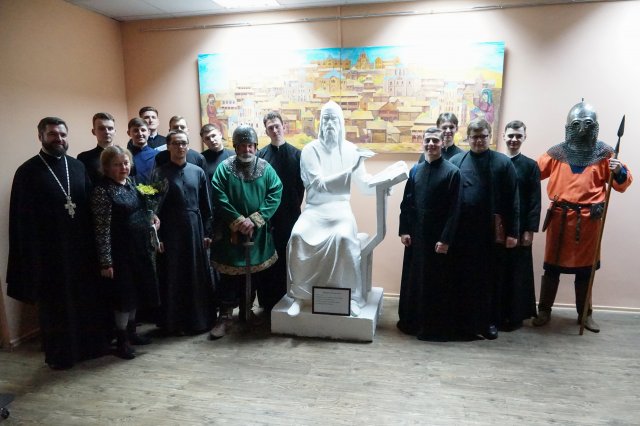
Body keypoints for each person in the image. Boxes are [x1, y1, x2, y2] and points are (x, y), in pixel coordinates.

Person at [7, 117, 108, 369]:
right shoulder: (27, 172)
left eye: (62, 134)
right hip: (49, 254)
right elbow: (22, 220)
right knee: (57, 308)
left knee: (85, 301)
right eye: (53, 134)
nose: (59, 139)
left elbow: (90, 207)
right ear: (41, 136)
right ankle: (61, 355)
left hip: (81, 250)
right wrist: (31, 259)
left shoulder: (77, 166)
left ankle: (89, 348)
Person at [533, 101, 633, 332]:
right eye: (577, 124)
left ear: (595, 126)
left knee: (585, 271)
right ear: (569, 126)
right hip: (560, 218)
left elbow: (622, 183)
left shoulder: (605, 154)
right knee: (552, 268)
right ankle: (544, 310)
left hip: (588, 221)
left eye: (587, 124)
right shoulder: (557, 153)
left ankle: (585, 314)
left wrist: (618, 170)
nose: (581, 129)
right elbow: (533, 172)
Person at [287, 101, 375, 317]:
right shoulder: (310, 150)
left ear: (341, 122)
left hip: (341, 210)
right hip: (315, 210)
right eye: (325, 118)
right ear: (320, 122)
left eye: (333, 118)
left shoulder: (351, 150)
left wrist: (383, 183)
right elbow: (318, 185)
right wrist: (350, 170)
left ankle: (351, 297)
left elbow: (364, 184)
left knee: (344, 239)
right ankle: (299, 296)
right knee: (297, 236)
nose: (329, 123)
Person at [449, 118, 519, 340]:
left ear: (490, 136)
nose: (479, 141)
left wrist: (513, 232)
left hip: (491, 234)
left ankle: (488, 322)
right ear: (468, 138)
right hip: (462, 233)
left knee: (489, 280)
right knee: (462, 277)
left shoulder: (503, 163)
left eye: (483, 136)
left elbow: (513, 200)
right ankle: (462, 322)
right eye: (474, 137)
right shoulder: (456, 161)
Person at [209, 125, 282, 338]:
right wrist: (238, 220)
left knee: (254, 275)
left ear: (256, 146)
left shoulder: (266, 168)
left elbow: (275, 193)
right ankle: (225, 316)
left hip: (257, 233)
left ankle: (246, 312)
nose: (247, 149)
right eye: (242, 145)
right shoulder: (224, 168)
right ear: (235, 146)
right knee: (229, 277)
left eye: (250, 145)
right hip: (230, 233)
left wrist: (256, 219)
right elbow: (219, 194)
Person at [91, 145, 161, 359]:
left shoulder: (131, 184)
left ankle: (132, 333)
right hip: (119, 254)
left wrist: (152, 218)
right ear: (106, 167)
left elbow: (140, 211)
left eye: (125, 163)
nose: (123, 167)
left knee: (136, 294)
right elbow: (101, 229)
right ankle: (121, 341)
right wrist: (106, 262)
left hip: (138, 250)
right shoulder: (102, 191)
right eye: (117, 164)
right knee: (123, 298)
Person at [397, 127, 462, 341]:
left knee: (435, 283)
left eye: (435, 140)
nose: (431, 144)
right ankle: (412, 323)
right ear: (422, 143)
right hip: (416, 237)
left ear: (442, 143)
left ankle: (431, 327)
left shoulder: (452, 172)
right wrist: (404, 230)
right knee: (414, 281)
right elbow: (406, 203)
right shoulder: (416, 170)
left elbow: (454, 210)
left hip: (437, 239)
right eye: (428, 140)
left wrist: (445, 239)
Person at [151, 130, 215, 335]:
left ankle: (199, 322)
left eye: (183, 143)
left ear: (188, 146)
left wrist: (207, 232)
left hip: (195, 229)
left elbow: (206, 206)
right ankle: (174, 323)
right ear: (169, 146)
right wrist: (158, 237)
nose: (180, 147)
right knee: (173, 275)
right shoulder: (159, 173)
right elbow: (153, 209)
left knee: (195, 274)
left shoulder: (198, 172)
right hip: (170, 230)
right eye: (176, 143)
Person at [257, 111, 305, 313]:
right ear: (266, 131)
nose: (275, 130)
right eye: (270, 127)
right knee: (268, 259)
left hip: (290, 215)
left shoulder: (297, 155)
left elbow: (301, 187)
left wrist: (293, 207)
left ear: (283, 126)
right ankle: (268, 303)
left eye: (277, 126)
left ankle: (290, 298)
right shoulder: (261, 156)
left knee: (290, 257)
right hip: (268, 218)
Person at [501, 120, 541, 331]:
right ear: (504, 136)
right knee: (498, 270)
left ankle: (515, 315)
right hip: (498, 228)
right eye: (511, 135)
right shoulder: (496, 161)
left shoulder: (530, 166)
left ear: (524, 137)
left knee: (517, 272)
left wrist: (529, 230)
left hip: (521, 227)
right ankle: (496, 313)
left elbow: (535, 200)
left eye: (518, 136)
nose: (514, 139)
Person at [77, 112, 116, 184]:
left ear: (115, 131)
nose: (107, 132)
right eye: (102, 128)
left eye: (110, 128)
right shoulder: (83, 158)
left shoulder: (125, 156)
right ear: (93, 131)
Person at [128, 117, 158, 185]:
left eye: (143, 130)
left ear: (149, 132)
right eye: (136, 130)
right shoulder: (125, 156)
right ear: (129, 133)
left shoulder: (158, 155)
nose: (140, 133)